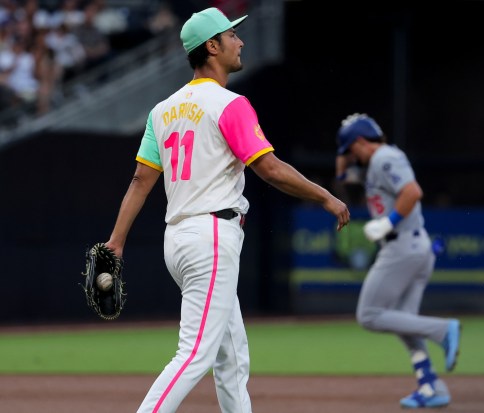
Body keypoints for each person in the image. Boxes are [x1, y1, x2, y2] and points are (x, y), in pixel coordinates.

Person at [104, 7, 350, 413]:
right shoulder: (229, 104)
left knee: (231, 356)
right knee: (195, 353)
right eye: (232, 35)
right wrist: (325, 196)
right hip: (212, 237)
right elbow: (268, 168)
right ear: (212, 46)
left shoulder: (161, 110)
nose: (240, 41)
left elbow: (139, 183)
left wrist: (116, 240)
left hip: (179, 240)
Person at [334, 113, 460, 409]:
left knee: (369, 315)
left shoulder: (384, 157)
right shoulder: (374, 164)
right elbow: (349, 182)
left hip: (401, 246)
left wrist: (387, 223)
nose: (351, 157)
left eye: (351, 150)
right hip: (413, 246)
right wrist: (342, 167)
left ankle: (443, 330)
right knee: (405, 323)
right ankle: (430, 385)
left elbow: (412, 192)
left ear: (361, 142)